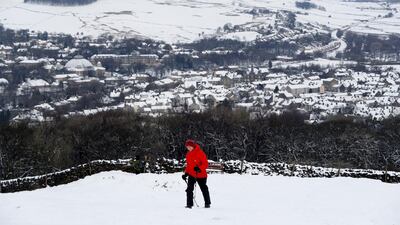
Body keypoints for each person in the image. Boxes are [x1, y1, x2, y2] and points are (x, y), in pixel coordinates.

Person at [182, 139, 211, 209]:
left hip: (201, 175)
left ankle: (207, 203)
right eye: (187, 147)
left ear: (193, 146)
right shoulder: (188, 154)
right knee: (189, 189)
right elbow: (189, 165)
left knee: (204, 188)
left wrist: (199, 168)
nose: (188, 148)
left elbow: (206, 164)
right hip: (192, 174)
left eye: (190, 146)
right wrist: (186, 173)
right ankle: (189, 204)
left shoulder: (200, 153)